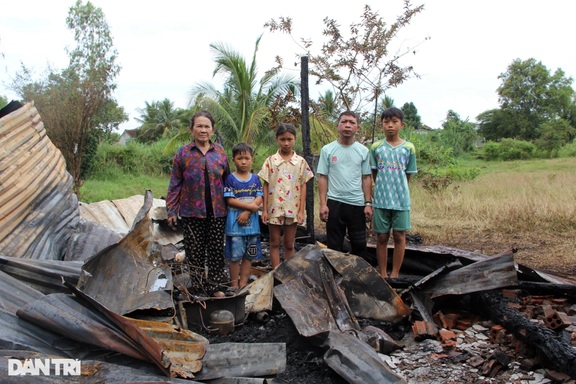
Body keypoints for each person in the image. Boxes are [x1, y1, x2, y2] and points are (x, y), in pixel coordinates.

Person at [166, 110, 230, 295]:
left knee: (217, 252)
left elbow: (227, 180)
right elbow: (175, 183)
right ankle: (199, 288)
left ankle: (215, 288)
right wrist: (171, 210)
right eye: (199, 126)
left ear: (212, 129)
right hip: (191, 211)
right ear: (191, 129)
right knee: (195, 253)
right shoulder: (183, 153)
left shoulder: (219, 151)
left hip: (218, 211)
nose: (203, 130)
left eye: (206, 126)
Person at [317, 110, 373, 257]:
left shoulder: (363, 151)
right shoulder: (327, 150)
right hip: (335, 203)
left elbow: (366, 177)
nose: (347, 125)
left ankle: (357, 277)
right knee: (334, 246)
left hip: (357, 204)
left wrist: (368, 203)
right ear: (338, 126)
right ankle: (334, 277)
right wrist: (323, 204)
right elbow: (323, 177)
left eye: (352, 122)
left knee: (359, 245)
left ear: (357, 128)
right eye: (344, 122)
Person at [258, 123, 314, 268]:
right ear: (277, 140)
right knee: (274, 242)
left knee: (289, 244)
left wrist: (302, 210)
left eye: (289, 139)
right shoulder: (271, 161)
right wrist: (264, 209)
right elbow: (265, 185)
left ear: (295, 139)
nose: (286, 143)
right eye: (283, 139)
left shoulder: (300, 162)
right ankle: (276, 272)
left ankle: (289, 273)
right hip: (274, 207)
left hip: (293, 207)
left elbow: (303, 185)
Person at [370, 107, 417, 278]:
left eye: (394, 122)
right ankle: (382, 272)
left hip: (401, 200)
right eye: (386, 122)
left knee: (399, 236)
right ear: (381, 124)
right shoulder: (376, 147)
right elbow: (374, 173)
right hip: (381, 201)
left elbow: (408, 174)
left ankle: (395, 273)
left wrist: (399, 189)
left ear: (401, 124)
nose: (390, 125)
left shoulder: (409, 148)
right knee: (381, 237)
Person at [224, 142, 263, 291]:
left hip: (252, 226)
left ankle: (243, 283)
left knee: (249, 256)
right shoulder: (230, 179)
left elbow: (259, 196)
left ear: (252, 159)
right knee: (235, 257)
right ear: (233, 160)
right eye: (240, 158)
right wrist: (251, 207)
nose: (244, 161)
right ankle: (234, 284)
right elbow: (230, 199)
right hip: (235, 226)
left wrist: (247, 212)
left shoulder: (255, 179)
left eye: (247, 158)